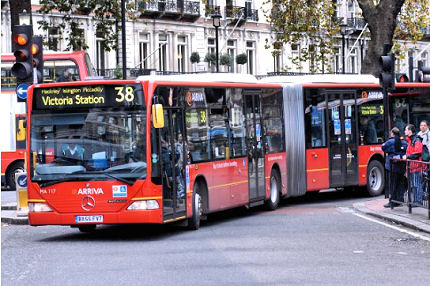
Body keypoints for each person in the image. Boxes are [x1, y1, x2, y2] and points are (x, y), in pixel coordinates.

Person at [382, 127, 407, 208]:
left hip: (392, 165)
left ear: (392, 133)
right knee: (400, 183)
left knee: (393, 184)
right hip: (401, 165)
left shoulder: (390, 142)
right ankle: (400, 200)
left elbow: (383, 148)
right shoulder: (403, 142)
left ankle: (392, 201)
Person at [403, 124, 424, 205]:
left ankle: (418, 201)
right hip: (412, 166)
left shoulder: (416, 140)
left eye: (406, 129)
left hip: (416, 166)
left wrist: (407, 156)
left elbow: (417, 153)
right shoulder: (411, 140)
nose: (405, 131)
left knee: (416, 184)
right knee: (414, 184)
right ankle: (416, 201)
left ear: (410, 131)